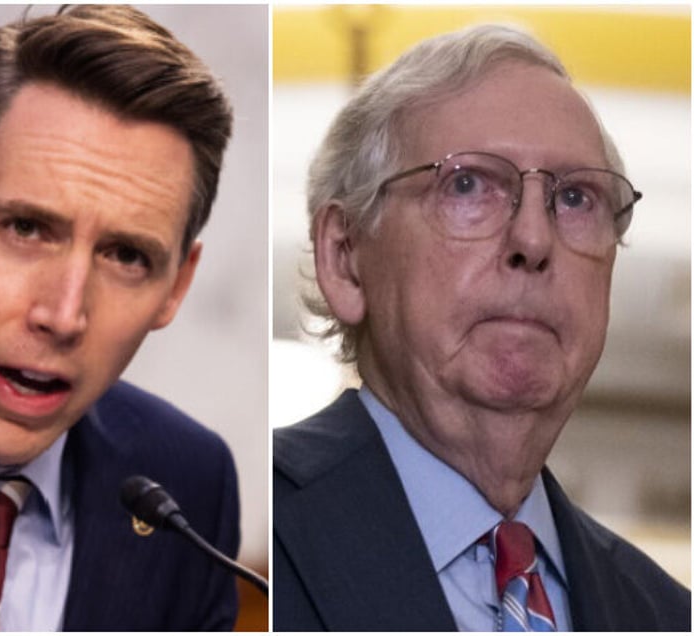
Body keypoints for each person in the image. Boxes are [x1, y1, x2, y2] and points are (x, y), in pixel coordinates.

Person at [273, 24, 690, 631]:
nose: (532, 239)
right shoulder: (240, 530)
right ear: (345, 258)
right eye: (467, 184)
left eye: (575, 198)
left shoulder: (663, 614)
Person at [0, 5, 242, 631]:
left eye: (126, 256)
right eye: (26, 228)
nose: (63, 316)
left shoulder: (188, 487)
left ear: (177, 286)